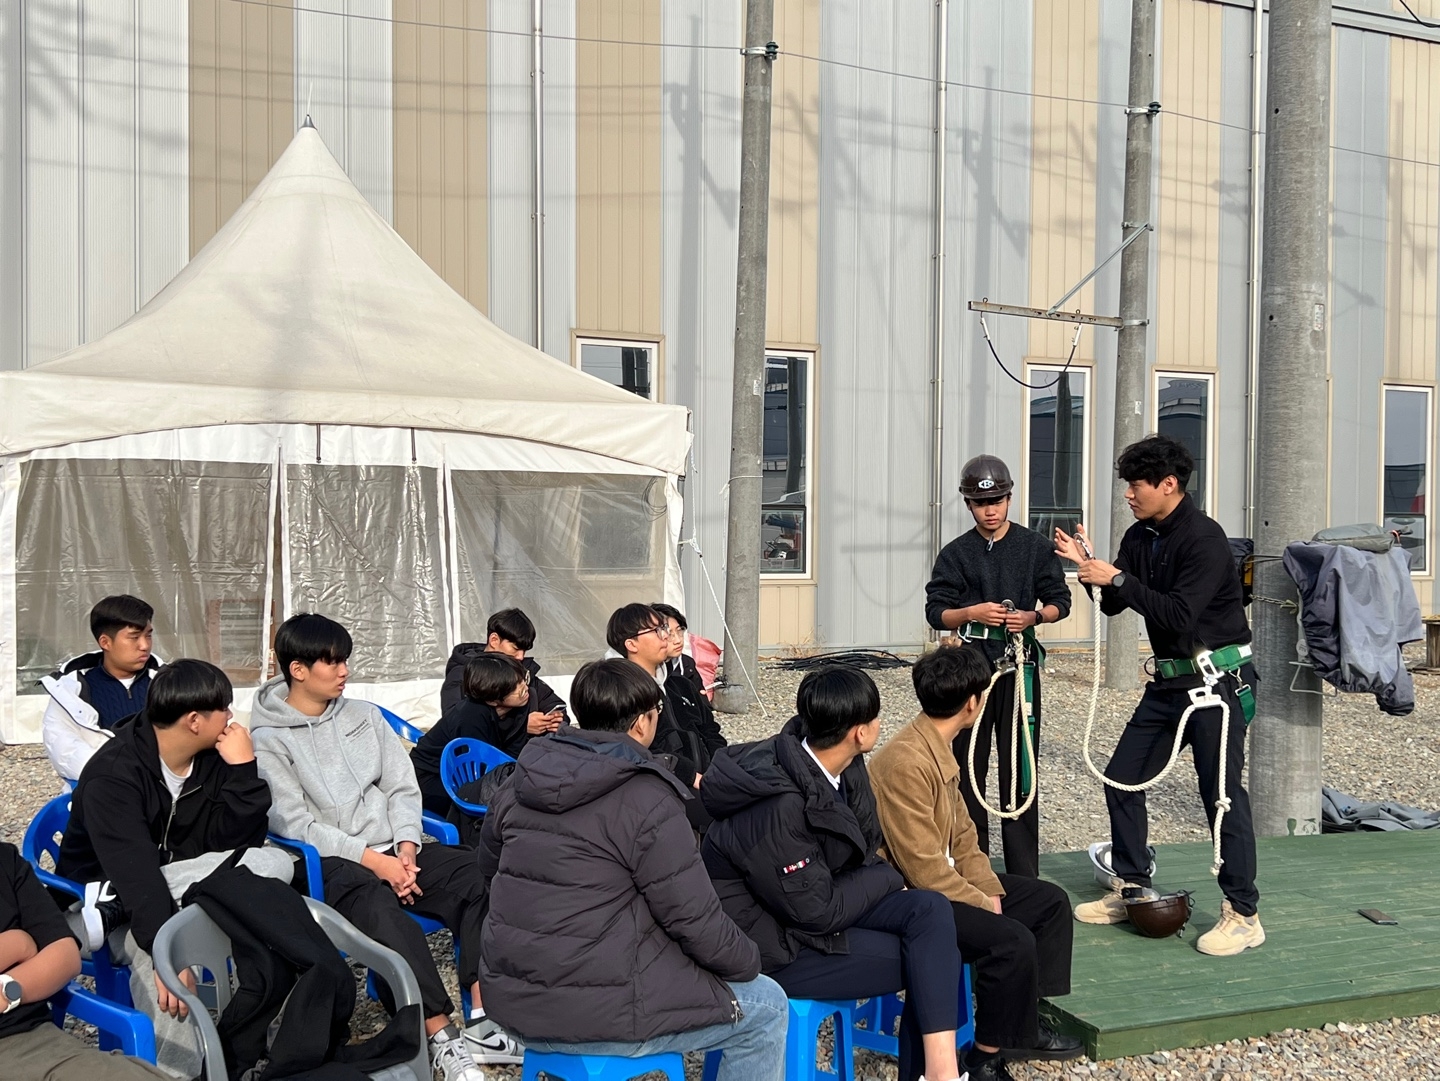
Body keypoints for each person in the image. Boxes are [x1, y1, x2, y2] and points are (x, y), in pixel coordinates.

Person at [477, 658, 787, 1081]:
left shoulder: (519, 782)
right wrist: (749, 961)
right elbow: (694, 920)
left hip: (512, 1002)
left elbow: (490, 871)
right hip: (598, 1011)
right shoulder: (646, 796)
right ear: (642, 723)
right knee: (768, 1005)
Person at [250, 613, 503, 1080]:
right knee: (381, 910)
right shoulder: (268, 740)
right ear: (298, 670)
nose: (344, 671)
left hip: (396, 849)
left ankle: (485, 1014)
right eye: (332, 662)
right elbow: (295, 825)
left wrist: (406, 847)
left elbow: (402, 787)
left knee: (482, 875)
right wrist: (375, 862)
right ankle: (440, 1033)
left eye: (345, 660)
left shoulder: (364, 716)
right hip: (332, 863)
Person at [701, 667, 965, 1081]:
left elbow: (863, 849)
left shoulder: (843, 766)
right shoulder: (778, 806)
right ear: (859, 732)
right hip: (773, 947)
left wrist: (884, 877)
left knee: (930, 911)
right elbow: (817, 913)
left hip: (811, 903)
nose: (880, 724)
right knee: (928, 962)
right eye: (876, 717)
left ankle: (938, 1072)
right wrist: (890, 876)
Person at [1055, 434, 1264, 956]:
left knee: (1220, 797)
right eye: (1128, 485)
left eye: (1137, 485)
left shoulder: (1205, 539)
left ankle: (1243, 914)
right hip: (1169, 683)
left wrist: (1117, 579)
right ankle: (1132, 887)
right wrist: (1090, 568)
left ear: (1169, 484)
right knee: (1122, 777)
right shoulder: (1139, 535)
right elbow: (1113, 605)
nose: (1129, 494)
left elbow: (1178, 615)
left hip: (1217, 683)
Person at [57, 658, 294, 1079]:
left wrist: (243, 772)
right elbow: (136, 874)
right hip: (98, 906)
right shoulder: (113, 776)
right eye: (223, 708)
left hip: (168, 890)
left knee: (274, 862)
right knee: (168, 956)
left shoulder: (213, 758)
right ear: (194, 721)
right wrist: (167, 951)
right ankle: (175, 1073)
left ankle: (247, 1055)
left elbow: (237, 845)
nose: (231, 717)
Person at [870, 646, 1082, 1081]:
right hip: (913, 898)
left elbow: (965, 835)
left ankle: (1023, 1023)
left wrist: (988, 890)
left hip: (943, 880)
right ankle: (985, 1055)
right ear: (973, 703)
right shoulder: (905, 761)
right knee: (1011, 941)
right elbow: (922, 869)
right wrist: (984, 904)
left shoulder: (935, 743)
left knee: (1050, 904)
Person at [924, 456, 1071, 879]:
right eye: (981, 503)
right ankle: (974, 869)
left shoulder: (1034, 547)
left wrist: (1034, 616)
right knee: (968, 767)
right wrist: (971, 612)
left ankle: (1024, 877)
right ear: (968, 504)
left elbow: (1060, 600)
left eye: (997, 501)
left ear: (1009, 498)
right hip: (970, 671)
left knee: (1020, 769)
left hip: (1019, 667)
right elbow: (936, 611)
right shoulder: (956, 553)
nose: (990, 510)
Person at [0, 842, 170, 1081]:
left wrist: (7, 989)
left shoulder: (6, 861)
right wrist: (19, 943)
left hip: (28, 1044)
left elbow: (65, 956)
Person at [42, 595, 162, 785]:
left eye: (148, 635)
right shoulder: (70, 691)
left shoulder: (167, 682)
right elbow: (64, 750)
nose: (145, 645)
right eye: (134, 637)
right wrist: (121, 776)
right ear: (105, 642)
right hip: (106, 788)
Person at [608, 604, 726, 793]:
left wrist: (719, 768)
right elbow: (628, 752)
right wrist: (690, 776)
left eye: (665, 629)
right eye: (657, 631)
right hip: (661, 789)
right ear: (631, 644)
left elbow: (710, 731)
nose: (667, 637)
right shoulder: (618, 691)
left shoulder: (681, 684)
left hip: (706, 780)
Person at [411, 653, 545, 817]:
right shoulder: (472, 716)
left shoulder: (521, 703)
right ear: (493, 699)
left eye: (523, 679)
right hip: (433, 777)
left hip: (481, 771)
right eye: (515, 686)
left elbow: (512, 756)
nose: (524, 687)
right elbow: (475, 772)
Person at [439, 608, 564, 718]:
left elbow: (553, 703)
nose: (521, 657)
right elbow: (455, 722)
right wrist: (522, 725)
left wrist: (553, 719)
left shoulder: (524, 670)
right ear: (494, 640)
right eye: (515, 648)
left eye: (524, 651)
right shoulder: (462, 674)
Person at [650, 601, 706, 696]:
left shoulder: (687, 663)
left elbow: (701, 697)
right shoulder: (648, 667)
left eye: (679, 631)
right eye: (669, 634)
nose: (678, 640)